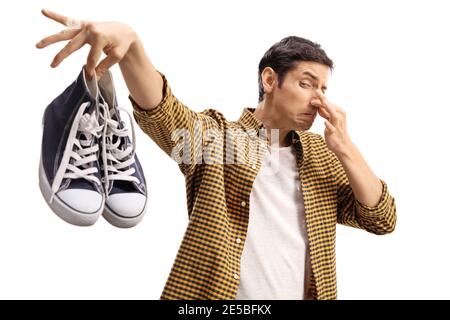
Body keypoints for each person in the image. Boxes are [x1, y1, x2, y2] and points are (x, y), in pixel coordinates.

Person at [36, 8, 397, 300]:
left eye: (323, 88)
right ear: (270, 81)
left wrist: (346, 149)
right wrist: (132, 46)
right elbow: (163, 112)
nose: (319, 100)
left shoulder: (322, 154)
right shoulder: (219, 139)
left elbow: (382, 218)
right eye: (306, 84)